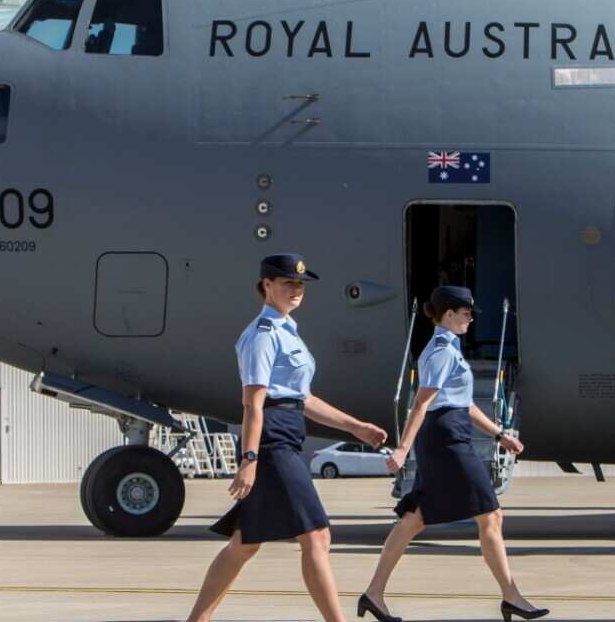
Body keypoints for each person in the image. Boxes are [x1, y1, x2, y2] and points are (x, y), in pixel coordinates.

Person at [187, 254, 388, 622]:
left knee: (244, 544)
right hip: (272, 440)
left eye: (300, 285)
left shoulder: (286, 331)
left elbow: (303, 399)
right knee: (316, 535)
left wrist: (355, 427)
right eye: (287, 283)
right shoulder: (261, 337)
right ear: (266, 286)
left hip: (288, 434)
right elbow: (253, 404)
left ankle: (197, 620)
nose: (296, 290)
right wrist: (249, 460)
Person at [358, 286, 548, 622]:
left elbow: (467, 404)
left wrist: (499, 435)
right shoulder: (441, 352)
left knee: (414, 520)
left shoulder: (449, 348)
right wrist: (403, 450)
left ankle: (373, 594)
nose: (470, 320)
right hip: (446, 440)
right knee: (490, 515)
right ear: (448, 314)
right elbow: (422, 402)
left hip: (451, 431)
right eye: (466, 314)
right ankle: (512, 597)